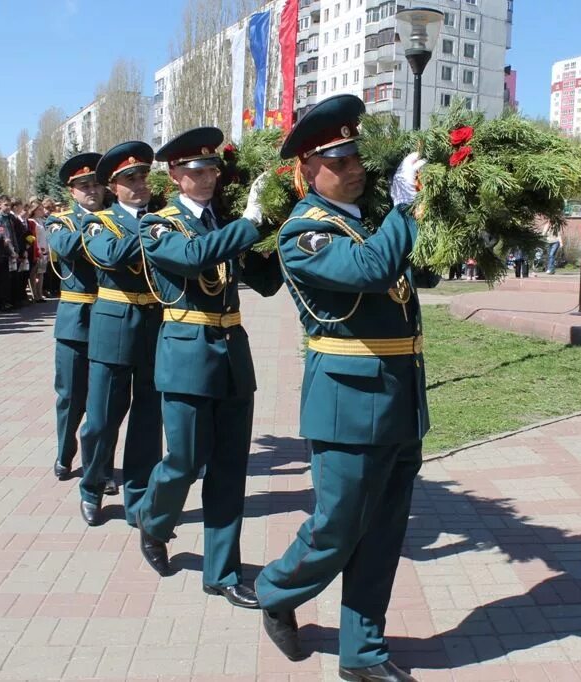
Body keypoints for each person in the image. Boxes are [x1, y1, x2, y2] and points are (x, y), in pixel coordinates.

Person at [255, 94, 434, 682]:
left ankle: (363, 653)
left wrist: (434, 218)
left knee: (383, 533)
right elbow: (369, 273)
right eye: (338, 160)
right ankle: (276, 588)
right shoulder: (303, 233)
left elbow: (415, 274)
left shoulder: (368, 223)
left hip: (400, 396)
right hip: (347, 402)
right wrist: (404, 211)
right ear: (306, 168)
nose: (354, 167)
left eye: (356, 156)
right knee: (337, 527)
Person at [133, 127, 282, 606]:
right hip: (187, 353)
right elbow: (195, 258)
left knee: (229, 468)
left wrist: (279, 230)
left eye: (213, 168)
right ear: (175, 175)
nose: (208, 177)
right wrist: (251, 223)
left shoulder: (225, 220)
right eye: (197, 170)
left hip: (231, 352)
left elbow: (265, 282)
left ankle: (222, 571)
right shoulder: (158, 225)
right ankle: (154, 523)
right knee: (184, 460)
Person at [76, 141, 163, 527]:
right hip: (114, 327)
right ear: (113, 185)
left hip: (155, 325)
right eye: (130, 178)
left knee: (148, 418)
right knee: (101, 419)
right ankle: (92, 486)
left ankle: (140, 496)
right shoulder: (99, 221)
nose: (141, 184)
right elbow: (111, 255)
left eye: (144, 175)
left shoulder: (162, 216)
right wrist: (151, 227)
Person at [45, 152, 108, 485]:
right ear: (72, 190)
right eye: (84, 186)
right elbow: (66, 245)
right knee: (71, 395)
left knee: (104, 400)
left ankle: (100, 465)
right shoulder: (61, 220)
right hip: (76, 320)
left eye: (96, 184)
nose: (92, 191)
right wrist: (99, 229)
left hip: (111, 319)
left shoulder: (115, 217)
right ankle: (64, 452)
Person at [26, 199, 49, 302]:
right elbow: (33, 237)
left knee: (41, 273)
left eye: (41, 209)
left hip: (44, 249)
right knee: (34, 273)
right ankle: (34, 294)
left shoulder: (41, 221)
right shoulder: (31, 221)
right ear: (34, 210)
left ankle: (40, 293)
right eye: (39, 209)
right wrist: (38, 250)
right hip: (37, 250)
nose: (41, 211)